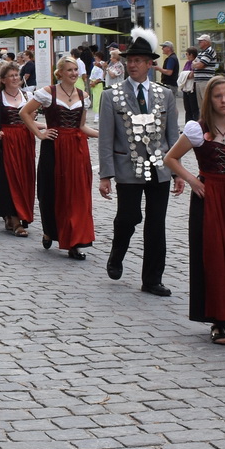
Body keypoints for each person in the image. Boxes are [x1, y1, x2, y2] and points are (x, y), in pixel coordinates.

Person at [165, 74, 225, 345]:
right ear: (210, 99)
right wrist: (193, 180)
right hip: (209, 197)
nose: (224, 100)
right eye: (218, 96)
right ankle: (218, 321)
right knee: (215, 257)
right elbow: (170, 158)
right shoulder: (198, 129)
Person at [98, 30, 183, 295]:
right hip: (128, 167)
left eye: (138, 60)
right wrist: (105, 175)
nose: (132, 65)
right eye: (129, 60)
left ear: (150, 64)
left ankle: (152, 279)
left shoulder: (164, 94)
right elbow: (105, 138)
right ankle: (117, 253)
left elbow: (173, 134)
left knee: (156, 223)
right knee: (128, 217)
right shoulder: (112, 95)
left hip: (160, 167)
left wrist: (177, 170)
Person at [24, 54, 98, 259]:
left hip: (76, 148)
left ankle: (75, 241)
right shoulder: (48, 93)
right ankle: (51, 230)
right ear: (60, 73)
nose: (74, 73)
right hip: (54, 146)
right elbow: (24, 113)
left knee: (77, 194)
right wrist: (40, 133)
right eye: (69, 70)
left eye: (75, 70)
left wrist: (105, 134)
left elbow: (82, 125)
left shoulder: (83, 95)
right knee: (51, 191)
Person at [0, 61, 36, 237]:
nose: (15, 78)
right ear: (3, 79)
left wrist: (45, 129)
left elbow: (30, 121)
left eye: (17, 75)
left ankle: (15, 216)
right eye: (11, 75)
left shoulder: (27, 96)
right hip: (7, 142)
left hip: (25, 141)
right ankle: (15, 219)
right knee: (10, 179)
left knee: (25, 178)